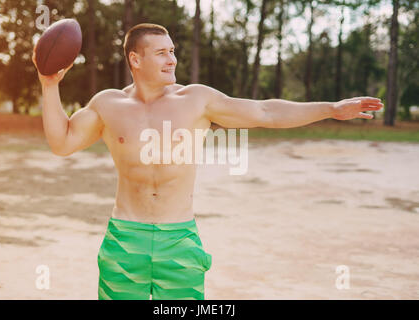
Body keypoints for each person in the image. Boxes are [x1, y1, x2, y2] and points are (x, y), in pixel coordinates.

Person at [32, 23, 383, 300]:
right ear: (135, 60)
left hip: (179, 240)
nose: (172, 60)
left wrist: (331, 109)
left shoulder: (196, 99)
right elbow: (62, 142)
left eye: (172, 52)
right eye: (161, 53)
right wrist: (49, 85)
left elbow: (265, 111)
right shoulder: (107, 104)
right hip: (125, 239)